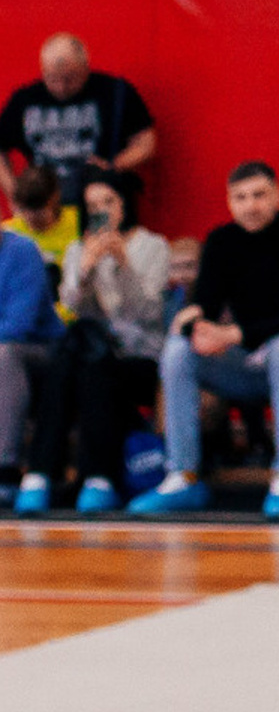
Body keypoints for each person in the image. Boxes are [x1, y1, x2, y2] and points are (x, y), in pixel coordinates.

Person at [133, 163, 279, 520]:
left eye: (259, 195)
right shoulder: (221, 241)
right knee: (179, 351)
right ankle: (183, 475)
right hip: (245, 363)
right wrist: (192, 321)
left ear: (278, 196)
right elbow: (206, 304)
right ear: (229, 202)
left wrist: (233, 334)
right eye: (240, 197)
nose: (250, 205)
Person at [20, 169, 164, 516]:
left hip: (138, 354)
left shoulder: (153, 246)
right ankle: (55, 477)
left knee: (82, 363)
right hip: (90, 353)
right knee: (76, 356)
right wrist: (83, 272)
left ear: (124, 204)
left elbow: (146, 311)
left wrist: (122, 264)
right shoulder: (77, 250)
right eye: (93, 205)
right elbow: (70, 311)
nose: (102, 210)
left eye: (109, 202)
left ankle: (73, 475)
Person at [0, 33, 155, 187]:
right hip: (45, 199)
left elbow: (146, 142)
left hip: (98, 194)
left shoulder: (114, 93)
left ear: (86, 68)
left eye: (70, 79)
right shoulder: (25, 100)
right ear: (43, 70)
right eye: (52, 79)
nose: (61, 87)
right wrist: (14, 191)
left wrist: (113, 166)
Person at [0, 214, 59, 494]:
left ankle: (5, 468)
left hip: (43, 352)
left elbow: (19, 325)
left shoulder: (22, 251)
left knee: (5, 354)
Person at [5, 164, 79, 286]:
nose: (32, 217)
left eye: (40, 211)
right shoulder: (8, 233)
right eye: (26, 211)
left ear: (55, 197)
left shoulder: (78, 222)